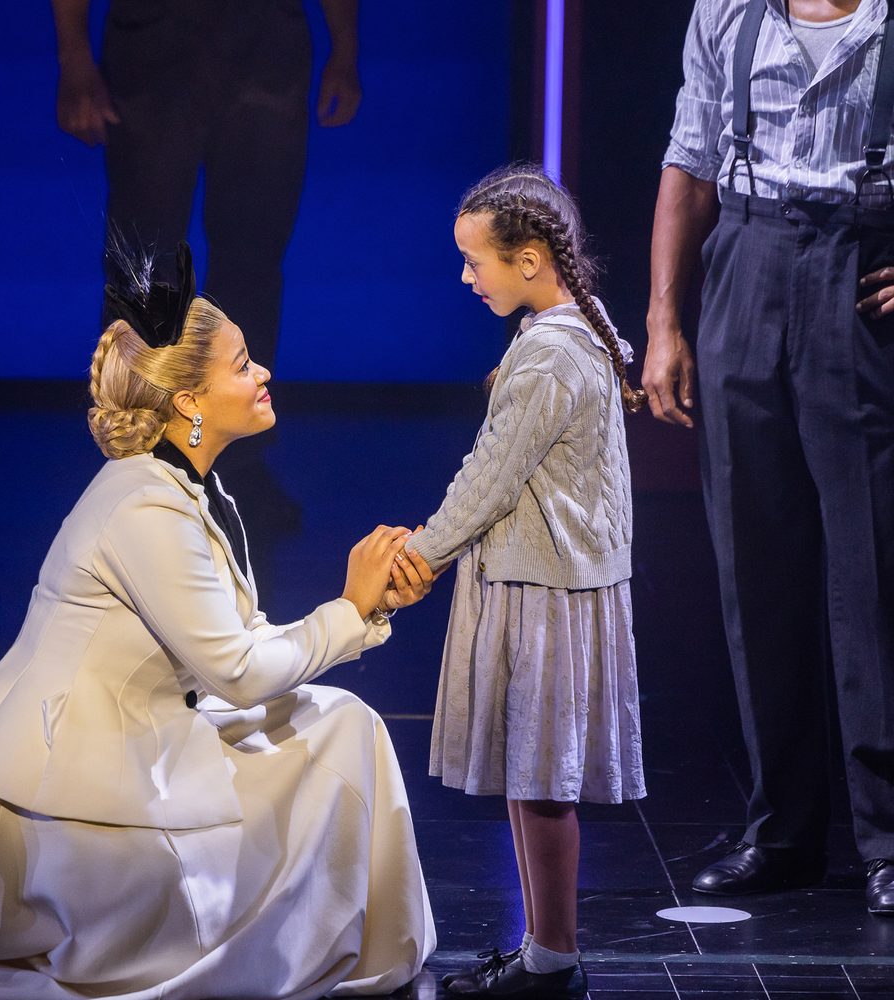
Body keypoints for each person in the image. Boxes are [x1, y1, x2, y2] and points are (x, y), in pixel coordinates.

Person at [0, 244, 437, 999]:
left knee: (342, 721)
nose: (263, 372)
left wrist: (364, 608)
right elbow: (235, 673)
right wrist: (346, 608)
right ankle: (270, 939)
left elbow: (240, 643)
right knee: (337, 728)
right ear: (189, 403)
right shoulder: (145, 504)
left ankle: (350, 940)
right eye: (243, 364)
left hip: (137, 742)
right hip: (72, 802)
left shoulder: (186, 489)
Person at [646, 0, 894, 914]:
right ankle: (782, 830)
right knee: (756, 562)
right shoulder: (729, 12)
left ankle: (888, 839)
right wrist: (664, 320)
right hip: (746, 265)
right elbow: (690, 161)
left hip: (858, 271)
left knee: (871, 570)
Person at [406, 166, 647, 999]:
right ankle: (545, 951)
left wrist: (419, 556)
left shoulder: (549, 356)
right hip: (549, 576)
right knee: (528, 774)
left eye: (478, 261)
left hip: (546, 588)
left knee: (541, 781)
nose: (467, 278)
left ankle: (554, 961)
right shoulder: (574, 324)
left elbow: (490, 478)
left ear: (532, 259)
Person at [51, 0, 362, 369]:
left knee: (251, 259)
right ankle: (139, 420)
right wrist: (74, 58)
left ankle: (241, 421)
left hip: (266, 49)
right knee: (142, 260)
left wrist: (345, 50)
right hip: (153, 46)